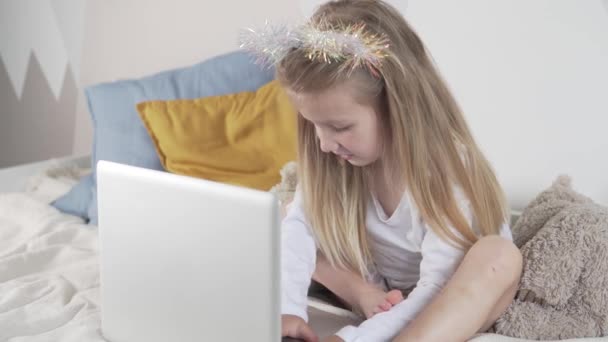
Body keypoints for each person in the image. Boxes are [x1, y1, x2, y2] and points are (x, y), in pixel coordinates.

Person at [243, 1, 523, 341]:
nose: (325, 144)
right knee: (288, 219)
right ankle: (362, 293)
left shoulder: (448, 172)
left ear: (396, 105)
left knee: (499, 257)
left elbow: (437, 288)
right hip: (383, 288)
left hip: (452, 295)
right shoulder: (338, 162)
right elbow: (301, 228)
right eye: (314, 126)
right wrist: (286, 310)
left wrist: (352, 338)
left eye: (340, 127)